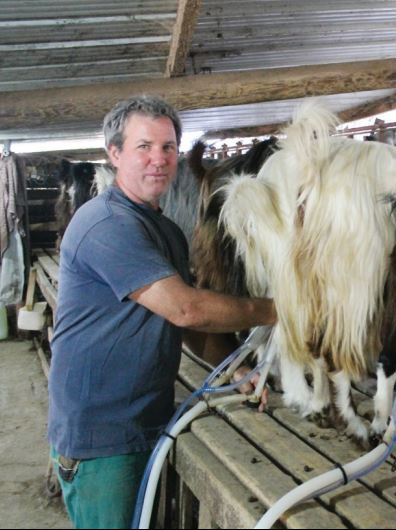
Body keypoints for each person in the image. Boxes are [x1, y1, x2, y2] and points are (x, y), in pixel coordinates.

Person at [47, 95, 276, 529]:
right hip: (102, 439)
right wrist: (282, 310)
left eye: (168, 147)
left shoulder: (165, 229)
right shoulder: (106, 224)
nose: (159, 159)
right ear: (115, 154)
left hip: (144, 421)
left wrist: (235, 369)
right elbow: (186, 309)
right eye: (144, 146)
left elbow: (185, 326)